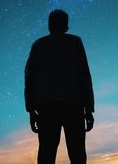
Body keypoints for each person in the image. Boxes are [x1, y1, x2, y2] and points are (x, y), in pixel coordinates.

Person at [24, 9, 95, 164]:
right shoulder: (75, 42)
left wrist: (30, 109)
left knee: (46, 153)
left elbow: (30, 78)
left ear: (49, 25)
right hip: (73, 105)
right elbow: (84, 75)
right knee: (77, 153)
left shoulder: (38, 45)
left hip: (47, 107)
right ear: (66, 25)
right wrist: (89, 108)